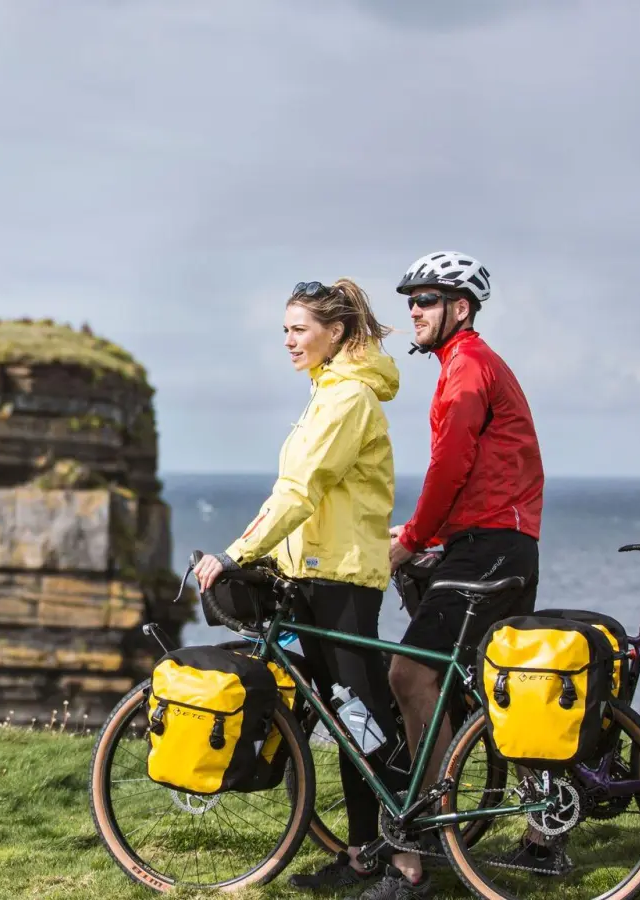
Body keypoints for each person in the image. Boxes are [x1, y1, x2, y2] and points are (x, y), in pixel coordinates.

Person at [191, 278, 408, 895]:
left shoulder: (346, 400)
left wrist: (235, 553)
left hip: (339, 578)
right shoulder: (327, 392)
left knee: (363, 719)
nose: (289, 341)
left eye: (300, 330)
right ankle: (364, 853)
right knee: (346, 719)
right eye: (284, 330)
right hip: (313, 573)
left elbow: (298, 491)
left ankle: (405, 858)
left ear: (335, 333)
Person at [380, 250, 548, 895]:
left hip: (490, 547)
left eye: (426, 300)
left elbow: (450, 467)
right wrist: (428, 534)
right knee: (488, 684)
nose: (414, 311)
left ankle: (433, 823)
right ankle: (541, 826)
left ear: (461, 308)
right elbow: (476, 473)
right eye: (411, 301)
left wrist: (415, 538)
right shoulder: (464, 364)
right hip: (489, 540)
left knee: (410, 673)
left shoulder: (468, 367)